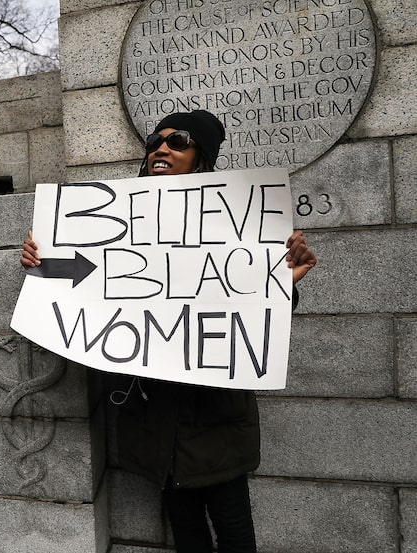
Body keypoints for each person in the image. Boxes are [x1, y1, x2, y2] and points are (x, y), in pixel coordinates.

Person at [19, 110, 317, 553]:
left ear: (203, 159)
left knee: (234, 531)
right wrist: (42, 264)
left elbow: (250, 315)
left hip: (214, 414)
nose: (160, 147)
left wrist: (280, 283)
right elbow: (91, 291)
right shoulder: (117, 223)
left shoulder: (235, 223)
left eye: (178, 141)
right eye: (154, 142)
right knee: (186, 531)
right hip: (155, 415)